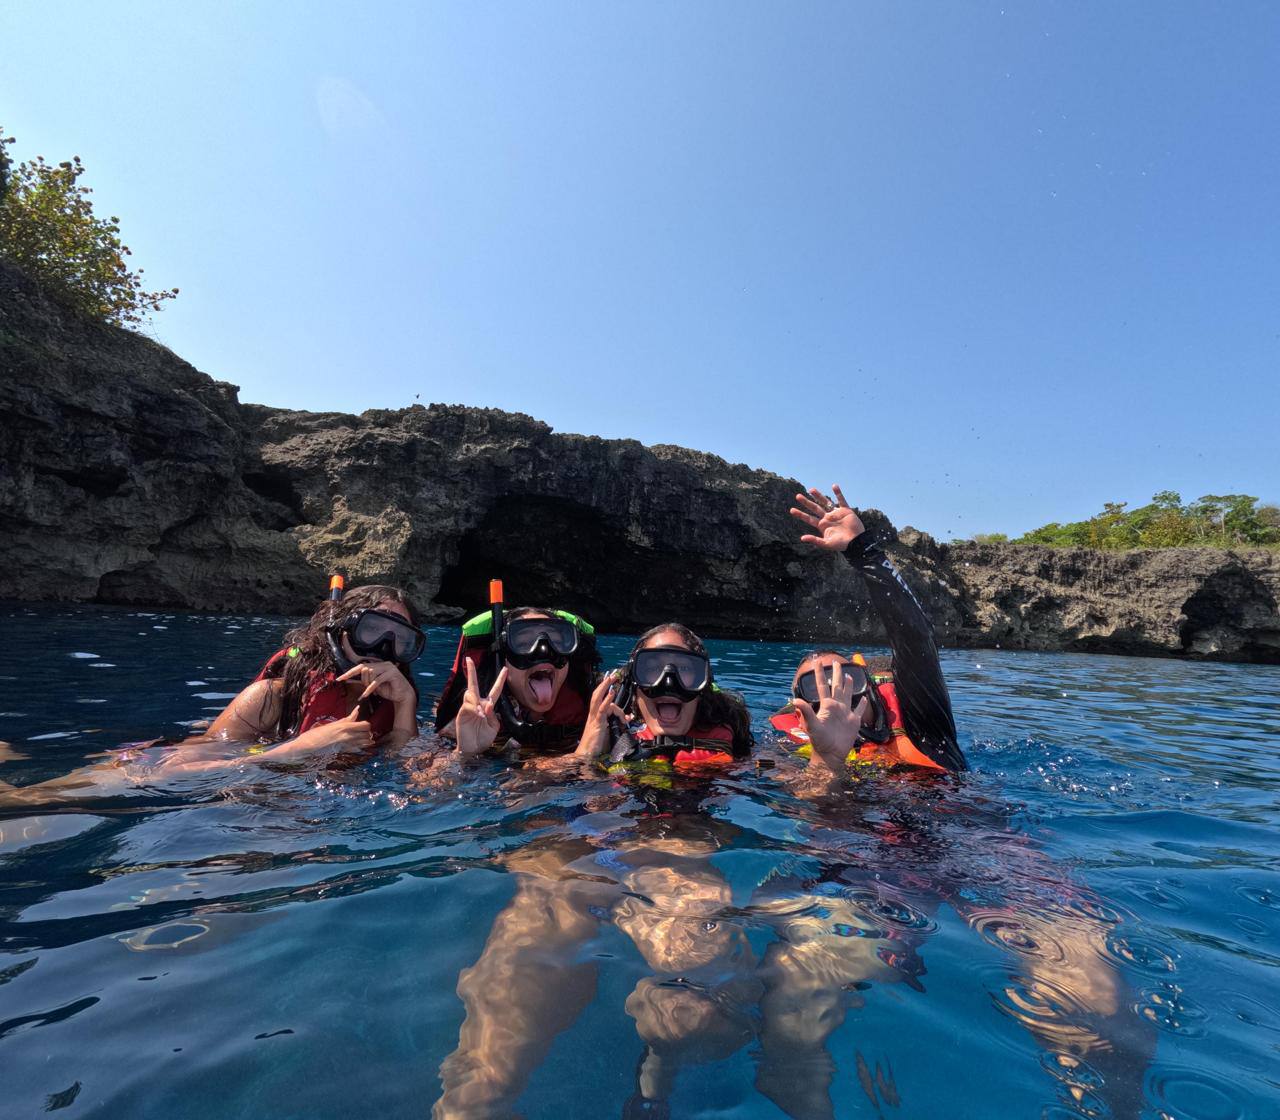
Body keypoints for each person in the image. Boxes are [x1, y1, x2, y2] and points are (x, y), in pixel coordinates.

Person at [0, 582, 425, 804]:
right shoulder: (272, 695)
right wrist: (299, 748)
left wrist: (405, 707)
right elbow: (169, 774)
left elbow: (394, 760)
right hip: (155, 761)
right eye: (373, 630)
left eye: (400, 639)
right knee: (30, 802)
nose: (385, 650)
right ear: (342, 630)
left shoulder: (386, 701)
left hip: (286, 801)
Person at [773, 484, 966, 776]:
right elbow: (810, 816)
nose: (834, 697)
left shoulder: (923, 723)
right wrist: (827, 760)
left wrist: (863, 552)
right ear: (800, 717)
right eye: (815, 688)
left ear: (870, 686)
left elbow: (915, 637)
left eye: (846, 679)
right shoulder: (792, 757)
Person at [432, 602, 600, 758]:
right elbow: (425, 782)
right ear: (502, 659)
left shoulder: (595, 714)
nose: (543, 650)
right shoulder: (474, 717)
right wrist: (463, 754)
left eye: (557, 641)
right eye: (523, 642)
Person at [576, 622, 754, 768]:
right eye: (652, 668)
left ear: (702, 688)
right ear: (634, 687)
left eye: (684, 669)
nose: (668, 682)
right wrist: (586, 753)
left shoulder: (735, 753)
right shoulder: (617, 740)